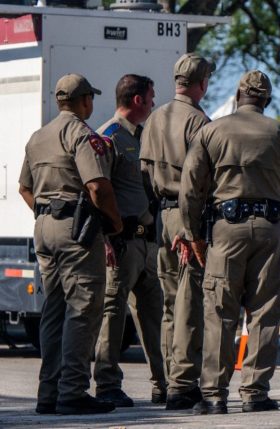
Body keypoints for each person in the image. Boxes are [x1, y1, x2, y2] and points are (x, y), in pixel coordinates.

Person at [177, 70, 280, 414]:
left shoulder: (211, 131)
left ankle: (213, 395)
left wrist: (193, 234)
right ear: (266, 100)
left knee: (220, 310)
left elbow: (190, 189)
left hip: (225, 228)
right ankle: (255, 393)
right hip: (270, 228)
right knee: (265, 311)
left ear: (238, 97)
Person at [19, 73, 122, 415]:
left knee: (55, 308)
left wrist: (47, 212)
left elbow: (24, 188)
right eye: (91, 98)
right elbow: (97, 186)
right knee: (84, 307)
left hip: (44, 226)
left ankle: (48, 392)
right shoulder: (80, 133)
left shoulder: (38, 136)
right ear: (84, 101)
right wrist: (115, 223)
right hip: (75, 230)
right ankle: (73, 391)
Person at [139, 53, 213, 410]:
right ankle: (183, 384)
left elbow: (143, 173)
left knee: (170, 302)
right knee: (189, 302)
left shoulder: (155, 117)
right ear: (202, 83)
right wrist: (191, 227)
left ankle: (169, 380)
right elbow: (200, 180)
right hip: (187, 218)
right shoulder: (197, 121)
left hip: (161, 216)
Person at [93, 74, 167, 407]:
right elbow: (95, 189)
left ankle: (164, 383)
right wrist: (105, 237)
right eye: (150, 97)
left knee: (155, 315)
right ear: (137, 100)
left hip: (147, 242)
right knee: (113, 314)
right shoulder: (108, 137)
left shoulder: (142, 137)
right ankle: (107, 384)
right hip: (121, 243)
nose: (153, 102)